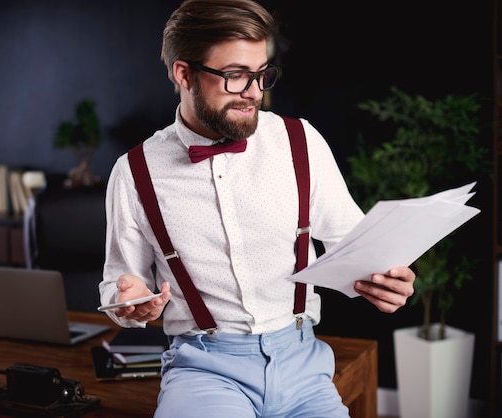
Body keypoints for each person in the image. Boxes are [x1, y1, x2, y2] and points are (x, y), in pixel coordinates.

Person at [99, 1, 416, 416]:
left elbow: (357, 249)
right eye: (234, 75)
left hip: (304, 366)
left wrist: (388, 282)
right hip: (203, 370)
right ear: (184, 73)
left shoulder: (300, 142)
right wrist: (130, 303)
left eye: (261, 74)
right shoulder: (134, 172)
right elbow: (117, 288)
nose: (254, 91)